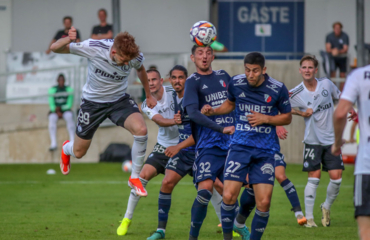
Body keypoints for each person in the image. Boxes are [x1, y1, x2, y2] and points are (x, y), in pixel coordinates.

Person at [50, 27, 157, 198]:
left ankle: (135, 177)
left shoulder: (133, 57)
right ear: (113, 51)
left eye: (127, 61)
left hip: (118, 101)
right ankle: (66, 148)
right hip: (92, 104)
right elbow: (55, 48)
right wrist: (67, 39)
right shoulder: (93, 47)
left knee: (141, 130)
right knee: (79, 152)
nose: (125, 64)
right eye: (122, 60)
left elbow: (141, 70)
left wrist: (149, 95)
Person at [202, 52, 292, 240]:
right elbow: (230, 104)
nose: (250, 75)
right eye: (248, 70)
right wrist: (214, 111)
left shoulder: (277, 88)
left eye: (255, 71)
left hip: (265, 150)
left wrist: (266, 118)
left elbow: (287, 117)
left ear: (263, 70)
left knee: (264, 203)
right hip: (239, 147)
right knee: (228, 197)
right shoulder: (236, 83)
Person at [146, 65, 225, 240]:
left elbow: (198, 134)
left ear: (186, 79)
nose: (177, 81)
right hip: (183, 153)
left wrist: (177, 147)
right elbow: (155, 95)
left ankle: (236, 224)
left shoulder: (193, 100)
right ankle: (161, 231)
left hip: (199, 152)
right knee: (166, 182)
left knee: (220, 187)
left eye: (181, 77)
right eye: (173, 78)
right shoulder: (172, 98)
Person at [289, 55, 355, 227]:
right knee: (314, 177)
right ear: (300, 70)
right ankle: (309, 219)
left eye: (310, 67)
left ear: (316, 70)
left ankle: (326, 207)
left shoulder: (326, 83)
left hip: (332, 140)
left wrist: (350, 110)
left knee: (337, 178)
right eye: (304, 67)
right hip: (312, 140)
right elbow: (281, 106)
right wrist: (301, 113)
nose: (307, 70)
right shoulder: (296, 92)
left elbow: (341, 96)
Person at [117, 68, 180, 236]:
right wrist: (176, 119)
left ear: (161, 81)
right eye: (149, 80)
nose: (151, 83)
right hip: (163, 146)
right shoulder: (146, 104)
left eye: (154, 79)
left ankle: (229, 222)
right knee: (142, 176)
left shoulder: (174, 92)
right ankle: (127, 219)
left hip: (184, 145)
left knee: (207, 182)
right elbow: (159, 120)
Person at [183, 45, 235, 240]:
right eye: (199, 53)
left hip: (231, 142)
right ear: (192, 58)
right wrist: (221, 128)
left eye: (207, 53)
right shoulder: (192, 81)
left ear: (213, 55)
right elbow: (193, 113)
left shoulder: (224, 76)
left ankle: (230, 235)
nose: (204, 57)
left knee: (231, 197)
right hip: (208, 143)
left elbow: (235, 103)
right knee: (204, 191)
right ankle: (192, 238)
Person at [332, 64, 370, 240]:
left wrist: (338, 142)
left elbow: (340, 113)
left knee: (366, 231)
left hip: (367, 165)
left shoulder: (359, 75)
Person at [48, 74, 74, 151]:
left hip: (65, 111)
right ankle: (53, 143)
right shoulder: (52, 90)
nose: (61, 82)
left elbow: (69, 104)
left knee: (69, 117)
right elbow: (51, 104)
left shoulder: (69, 90)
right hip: (55, 111)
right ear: (57, 81)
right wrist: (56, 110)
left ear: (64, 81)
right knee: (51, 118)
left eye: (62, 80)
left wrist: (61, 108)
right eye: (60, 80)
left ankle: (72, 141)